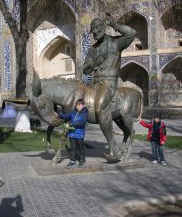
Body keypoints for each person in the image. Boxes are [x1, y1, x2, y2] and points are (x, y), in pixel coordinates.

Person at [83, 14, 137, 159]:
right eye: (92, 30)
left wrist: (115, 25)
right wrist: (94, 63)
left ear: (103, 28)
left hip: (109, 82)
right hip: (94, 83)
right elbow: (85, 69)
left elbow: (132, 33)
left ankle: (113, 147)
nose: (95, 32)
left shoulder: (115, 43)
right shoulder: (92, 50)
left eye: (97, 28)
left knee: (100, 106)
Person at [56, 98, 88, 168]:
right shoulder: (74, 112)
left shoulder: (84, 113)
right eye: (77, 105)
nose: (78, 106)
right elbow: (67, 115)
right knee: (73, 149)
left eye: (80, 105)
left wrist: (72, 124)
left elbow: (82, 122)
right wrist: (59, 115)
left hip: (79, 134)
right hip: (72, 134)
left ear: (83, 105)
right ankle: (72, 162)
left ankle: (82, 160)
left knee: (80, 148)